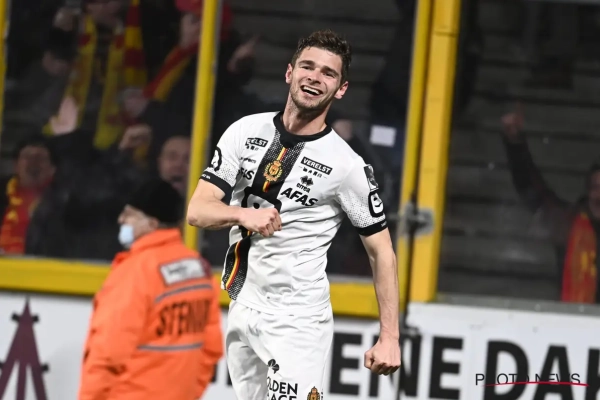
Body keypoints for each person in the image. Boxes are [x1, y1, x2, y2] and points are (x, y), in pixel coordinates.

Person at [187, 29, 400, 399]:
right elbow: (197, 211)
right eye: (307, 66)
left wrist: (390, 337)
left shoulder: (347, 166)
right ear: (290, 73)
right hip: (242, 303)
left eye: (328, 73)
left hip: (297, 320)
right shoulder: (244, 131)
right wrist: (242, 215)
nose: (315, 77)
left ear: (341, 89)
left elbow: (381, 250)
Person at [79, 178, 223, 400]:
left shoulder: (135, 272)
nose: (121, 219)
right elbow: (211, 349)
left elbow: (107, 353)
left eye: (130, 215)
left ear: (152, 224)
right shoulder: (198, 268)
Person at [502, 107, 600, 304]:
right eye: (596, 187)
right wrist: (515, 143)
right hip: (574, 319)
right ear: (589, 190)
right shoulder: (568, 222)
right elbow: (531, 189)